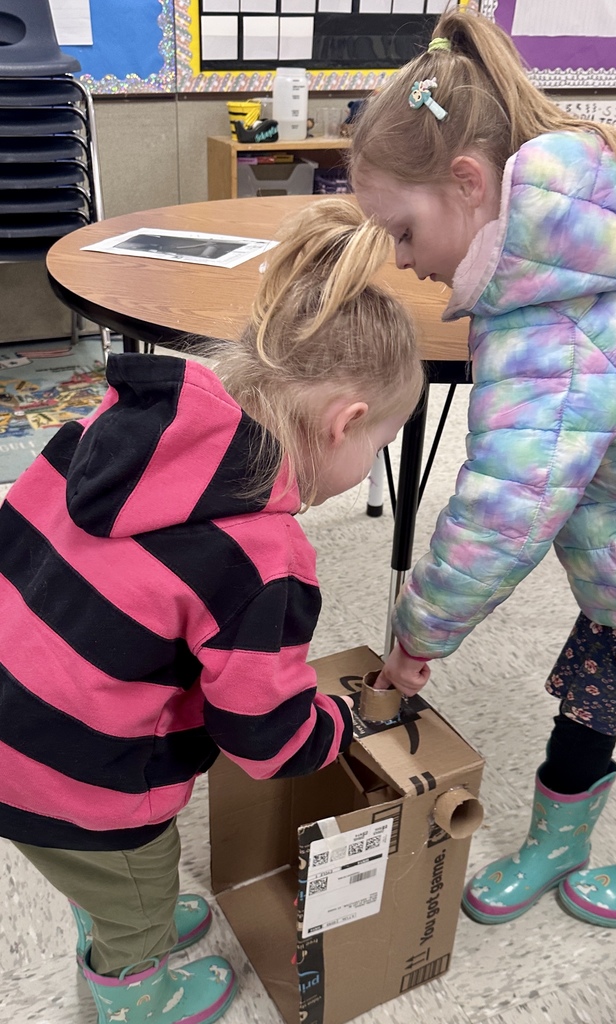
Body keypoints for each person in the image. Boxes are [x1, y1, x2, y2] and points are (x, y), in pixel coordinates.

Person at [351, 7, 616, 930]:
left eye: (404, 231)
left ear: (467, 183)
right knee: (587, 699)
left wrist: (417, 637)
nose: (401, 259)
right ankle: (558, 836)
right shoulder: (588, 226)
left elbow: (505, 509)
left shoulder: (555, 320)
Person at [0, 197, 424, 1023]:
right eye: (378, 447)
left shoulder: (117, 424)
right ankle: (135, 986)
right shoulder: (265, 560)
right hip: (74, 771)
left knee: (102, 873)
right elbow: (263, 738)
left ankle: (121, 907)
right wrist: (338, 725)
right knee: (132, 887)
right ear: (347, 423)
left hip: (13, 708)